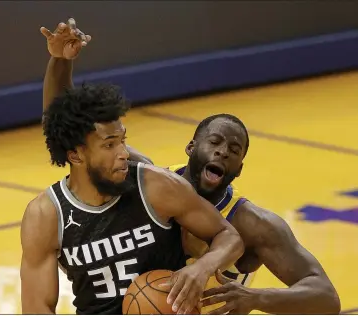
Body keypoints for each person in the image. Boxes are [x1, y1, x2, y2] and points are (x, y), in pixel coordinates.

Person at [39, 18, 342, 315]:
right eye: (216, 142)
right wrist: (60, 61)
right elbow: (73, 132)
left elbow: (326, 298)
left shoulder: (254, 224)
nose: (223, 152)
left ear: (240, 168)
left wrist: (255, 298)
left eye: (234, 151)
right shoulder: (153, 183)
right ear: (191, 148)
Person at [20, 20, 245, 315]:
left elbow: (230, 237)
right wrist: (60, 61)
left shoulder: (155, 186)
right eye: (110, 144)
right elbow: (37, 309)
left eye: (123, 140)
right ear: (76, 156)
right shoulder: (46, 215)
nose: (124, 153)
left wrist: (201, 269)